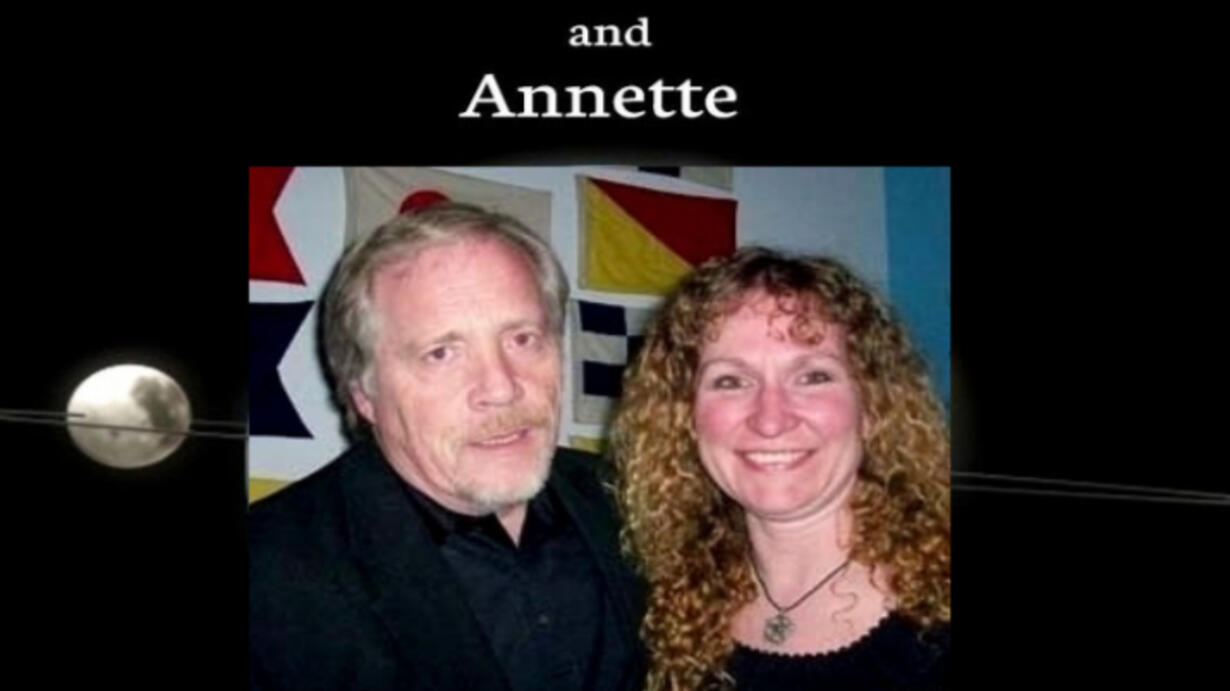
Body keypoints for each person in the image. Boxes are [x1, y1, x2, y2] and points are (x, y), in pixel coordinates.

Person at [249, 202, 646, 691]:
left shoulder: (638, 498)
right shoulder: (267, 577)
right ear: (363, 393)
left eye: (522, 339)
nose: (501, 387)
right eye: (441, 353)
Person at [612, 247, 950, 690]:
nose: (770, 420)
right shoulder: (661, 615)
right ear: (684, 418)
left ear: (873, 406)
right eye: (731, 381)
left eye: (812, 377)